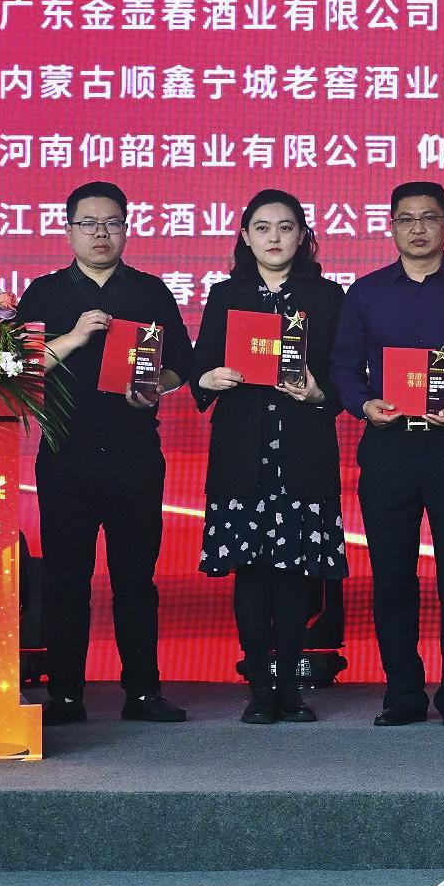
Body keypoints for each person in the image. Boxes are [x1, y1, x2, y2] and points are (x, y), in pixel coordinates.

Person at [12, 180, 190, 725]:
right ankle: (65, 694)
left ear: (127, 229)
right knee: (66, 580)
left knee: (136, 579)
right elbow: (17, 367)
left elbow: (182, 365)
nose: (100, 233)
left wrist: (155, 386)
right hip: (66, 454)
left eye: (112, 223)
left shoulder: (149, 291)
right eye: (88, 224)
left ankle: (144, 692)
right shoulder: (43, 293)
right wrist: (72, 338)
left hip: (135, 454)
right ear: (68, 231)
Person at [332, 181, 444, 728]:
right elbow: (342, 366)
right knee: (392, 577)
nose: (418, 228)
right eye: (406, 219)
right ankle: (403, 692)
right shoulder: (366, 293)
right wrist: (364, 404)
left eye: (429, 217)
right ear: (391, 227)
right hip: (389, 448)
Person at [186, 190, 347, 724]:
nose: (274, 238)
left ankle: (290, 690)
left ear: (302, 236)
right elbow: (200, 368)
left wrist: (319, 394)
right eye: (262, 227)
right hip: (243, 454)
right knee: (252, 575)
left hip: (302, 451)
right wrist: (208, 378)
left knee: (296, 576)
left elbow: (344, 376)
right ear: (245, 236)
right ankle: (259, 688)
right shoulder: (225, 295)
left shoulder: (326, 297)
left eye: (285, 227)